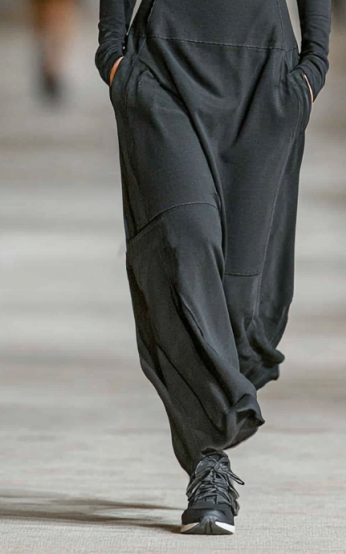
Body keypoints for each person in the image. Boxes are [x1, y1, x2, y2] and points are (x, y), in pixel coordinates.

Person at [95, 0, 331, 535]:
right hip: (164, 74)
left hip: (263, 82)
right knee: (185, 242)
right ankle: (209, 462)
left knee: (238, 298)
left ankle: (213, 431)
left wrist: (313, 66)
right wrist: (113, 54)